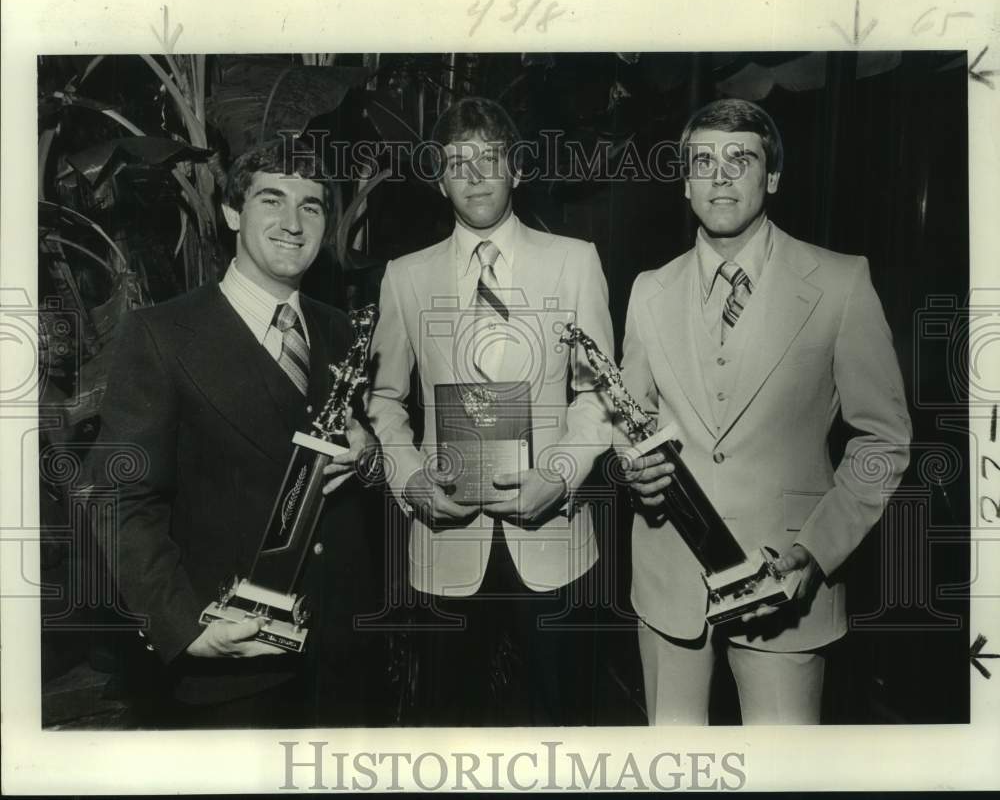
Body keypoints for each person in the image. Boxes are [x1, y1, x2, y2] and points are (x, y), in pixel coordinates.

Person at [619, 98, 911, 725]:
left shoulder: (840, 283)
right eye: (703, 161)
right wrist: (632, 472)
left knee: (781, 774)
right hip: (669, 585)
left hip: (787, 584)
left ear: (772, 177)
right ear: (684, 180)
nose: (720, 176)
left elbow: (882, 441)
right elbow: (630, 421)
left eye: (740, 159)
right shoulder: (647, 289)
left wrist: (815, 552)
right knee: (673, 770)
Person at [89, 140, 380, 728]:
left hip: (347, 661)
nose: (294, 224)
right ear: (230, 212)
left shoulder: (340, 327)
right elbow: (118, 498)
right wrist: (183, 625)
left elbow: (356, 451)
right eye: (272, 200)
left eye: (313, 206)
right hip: (233, 666)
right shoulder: (162, 334)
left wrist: (369, 454)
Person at [366, 96, 615, 725]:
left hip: (552, 540)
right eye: (457, 162)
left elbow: (597, 396)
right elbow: (385, 402)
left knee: (563, 729)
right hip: (445, 540)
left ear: (517, 169)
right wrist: (411, 480)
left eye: (489, 159)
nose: (474, 175)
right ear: (439, 178)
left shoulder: (575, 261)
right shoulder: (404, 277)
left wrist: (557, 477)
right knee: (449, 734)